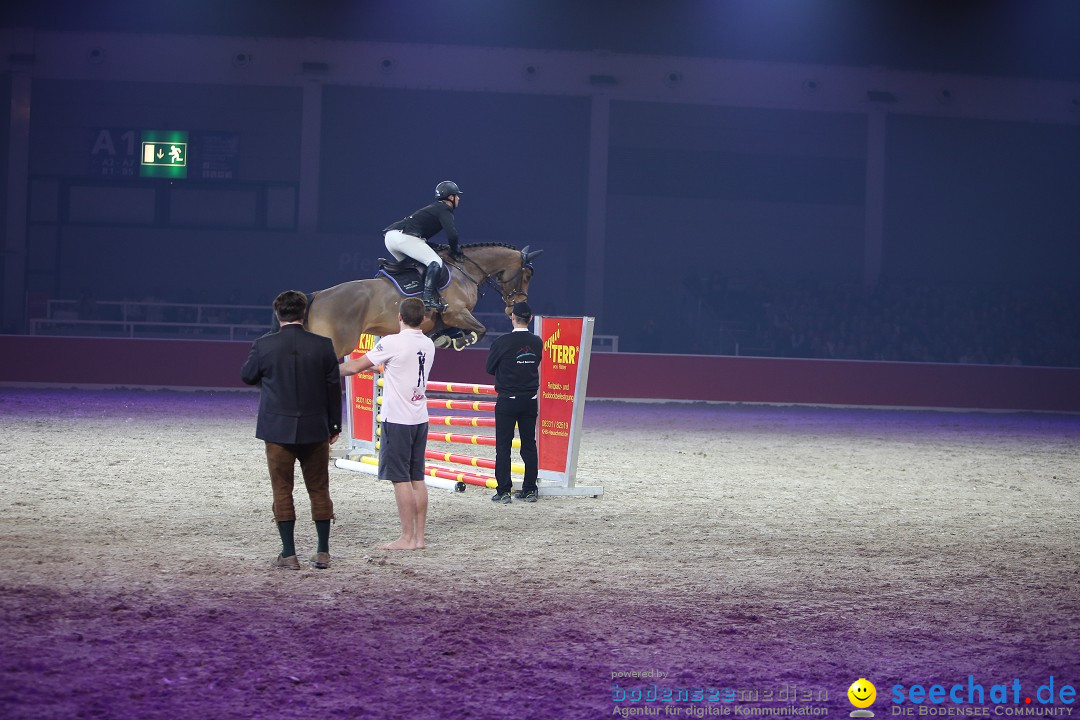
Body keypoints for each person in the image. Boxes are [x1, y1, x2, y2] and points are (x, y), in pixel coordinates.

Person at [241, 290, 342, 570]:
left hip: (278, 429)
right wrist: (334, 425)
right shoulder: (323, 345)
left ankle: (289, 554)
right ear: (304, 314)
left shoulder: (264, 345)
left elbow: (247, 376)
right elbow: (334, 389)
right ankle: (322, 551)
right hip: (316, 428)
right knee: (319, 489)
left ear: (277, 314)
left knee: (282, 490)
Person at [340, 297, 436, 550]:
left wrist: (323, 366)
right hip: (419, 418)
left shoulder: (391, 342)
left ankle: (406, 537)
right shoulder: (428, 344)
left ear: (399, 317)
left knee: (399, 479)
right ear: (423, 319)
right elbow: (399, 368)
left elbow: (353, 367)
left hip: (398, 419)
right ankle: (419, 538)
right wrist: (378, 368)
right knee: (417, 477)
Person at [485, 301, 543, 504]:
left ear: (512, 317)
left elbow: (489, 368)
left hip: (508, 400)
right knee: (529, 445)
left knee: (503, 447)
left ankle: (504, 491)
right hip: (529, 400)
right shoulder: (537, 342)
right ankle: (529, 489)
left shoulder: (501, 342)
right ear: (531, 318)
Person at [383, 180, 466, 310]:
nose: (459, 198)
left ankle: (407, 297)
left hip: (391, 238)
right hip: (404, 237)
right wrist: (455, 251)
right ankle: (427, 299)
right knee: (435, 262)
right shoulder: (445, 209)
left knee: (416, 268)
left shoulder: (435, 208)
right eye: (457, 195)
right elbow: (452, 235)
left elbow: (421, 241)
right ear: (451, 197)